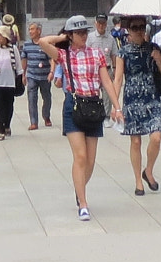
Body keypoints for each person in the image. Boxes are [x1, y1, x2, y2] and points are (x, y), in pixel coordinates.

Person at [38, 15, 116, 222]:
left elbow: (107, 82)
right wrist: (62, 36)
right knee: (80, 156)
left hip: (93, 106)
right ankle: (83, 202)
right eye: (79, 32)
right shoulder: (64, 55)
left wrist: (117, 106)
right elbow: (43, 42)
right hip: (74, 106)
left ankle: (78, 187)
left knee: (90, 161)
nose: (83, 35)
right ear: (71, 35)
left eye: (85, 32)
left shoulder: (96, 54)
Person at [112, 16, 161, 195]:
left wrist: (158, 59)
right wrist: (115, 105)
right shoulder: (123, 52)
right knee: (135, 141)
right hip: (132, 99)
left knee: (156, 138)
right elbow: (118, 78)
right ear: (128, 29)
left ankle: (148, 170)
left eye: (142, 27)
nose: (138, 30)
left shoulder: (153, 48)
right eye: (135, 27)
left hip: (151, 97)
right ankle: (138, 180)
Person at [22, 23, 53, 130]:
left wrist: (51, 72)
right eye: (29, 29)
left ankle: (46, 116)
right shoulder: (26, 44)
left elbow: (51, 59)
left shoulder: (45, 44)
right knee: (31, 99)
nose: (30, 31)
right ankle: (34, 122)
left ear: (39, 31)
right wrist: (23, 74)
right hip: (31, 76)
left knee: (47, 98)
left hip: (45, 76)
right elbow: (24, 59)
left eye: (32, 29)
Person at [90, 15, 118, 126]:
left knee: (107, 94)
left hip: (107, 69)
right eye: (99, 23)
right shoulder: (90, 37)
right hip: (94, 70)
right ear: (95, 23)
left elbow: (114, 54)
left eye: (104, 23)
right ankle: (94, 114)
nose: (101, 26)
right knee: (93, 94)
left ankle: (106, 117)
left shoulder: (111, 38)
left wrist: (115, 69)